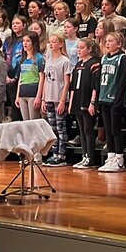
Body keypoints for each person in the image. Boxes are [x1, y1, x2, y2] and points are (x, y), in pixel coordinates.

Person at [96, 32, 126, 173]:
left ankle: (119, 159)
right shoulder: (104, 58)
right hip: (104, 98)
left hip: (115, 100)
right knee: (107, 130)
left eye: (111, 41)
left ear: (119, 44)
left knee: (115, 129)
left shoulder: (122, 58)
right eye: (106, 41)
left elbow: (123, 80)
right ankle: (110, 156)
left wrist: (118, 100)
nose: (107, 43)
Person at [39, 34, 73, 166]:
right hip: (48, 98)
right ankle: (54, 153)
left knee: (60, 127)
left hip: (59, 98)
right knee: (52, 128)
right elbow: (46, 81)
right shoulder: (48, 60)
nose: (51, 44)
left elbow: (66, 83)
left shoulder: (65, 61)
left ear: (60, 44)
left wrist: (63, 100)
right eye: (50, 42)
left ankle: (62, 155)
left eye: (54, 42)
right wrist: (43, 99)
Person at [69, 37, 101, 169]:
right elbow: (72, 87)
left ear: (89, 49)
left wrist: (93, 102)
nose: (79, 50)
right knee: (81, 129)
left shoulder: (94, 64)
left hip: (87, 100)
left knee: (88, 129)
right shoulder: (78, 65)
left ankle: (91, 158)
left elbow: (95, 86)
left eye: (82, 48)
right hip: (77, 99)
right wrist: (70, 103)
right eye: (78, 48)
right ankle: (84, 155)